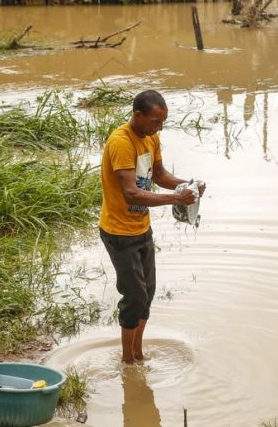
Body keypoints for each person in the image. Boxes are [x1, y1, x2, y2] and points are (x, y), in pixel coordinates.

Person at [99, 90, 205, 365]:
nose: (159, 128)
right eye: (156, 122)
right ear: (138, 116)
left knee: (146, 295)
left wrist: (189, 185)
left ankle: (138, 354)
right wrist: (175, 198)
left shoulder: (151, 138)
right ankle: (127, 361)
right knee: (133, 298)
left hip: (141, 229)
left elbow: (159, 176)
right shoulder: (122, 143)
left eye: (162, 123)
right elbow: (131, 193)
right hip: (119, 233)